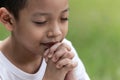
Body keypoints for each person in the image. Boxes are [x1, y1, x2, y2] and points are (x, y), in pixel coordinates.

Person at [0, 0, 90, 80]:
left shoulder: (65, 53)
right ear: (8, 19)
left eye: (64, 18)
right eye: (41, 21)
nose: (56, 32)